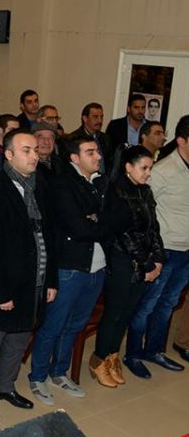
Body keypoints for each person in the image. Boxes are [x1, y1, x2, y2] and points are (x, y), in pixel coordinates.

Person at [0, 131, 56, 425]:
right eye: (26, 150)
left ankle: (4, 386)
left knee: (19, 341)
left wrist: (51, 280)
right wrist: (1, 292)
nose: (34, 156)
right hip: (4, 286)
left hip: (34, 281)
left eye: (35, 150)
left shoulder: (39, 187)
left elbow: (49, 237)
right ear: (8, 155)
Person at [27, 136, 109, 405]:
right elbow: (79, 228)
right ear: (75, 157)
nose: (98, 156)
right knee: (54, 325)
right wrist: (99, 221)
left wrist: (97, 219)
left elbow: (115, 218)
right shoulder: (63, 184)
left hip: (97, 266)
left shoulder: (98, 183)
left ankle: (59, 372)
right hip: (70, 268)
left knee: (75, 325)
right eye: (90, 152)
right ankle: (37, 376)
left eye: (97, 151)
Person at [91, 146, 165, 387]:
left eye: (150, 168)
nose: (148, 173)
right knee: (114, 313)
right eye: (144, 168)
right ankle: (99, 359)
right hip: (122, 261)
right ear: (128, 167)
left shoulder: (145, 191)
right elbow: (123, 235)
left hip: (142, 261)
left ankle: (112, 356)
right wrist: (147, 263)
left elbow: (153, 228)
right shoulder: (115, 191)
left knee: (126, 313)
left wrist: (158, 258)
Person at [123, 115, 189, 377]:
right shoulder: (162, 171)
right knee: (147, 305)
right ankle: (133, 354)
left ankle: (154, 350)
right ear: (182, 141)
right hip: (166, 250)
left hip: (187, 250)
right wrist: (151, 252)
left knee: (168, 304)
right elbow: (143, 213)